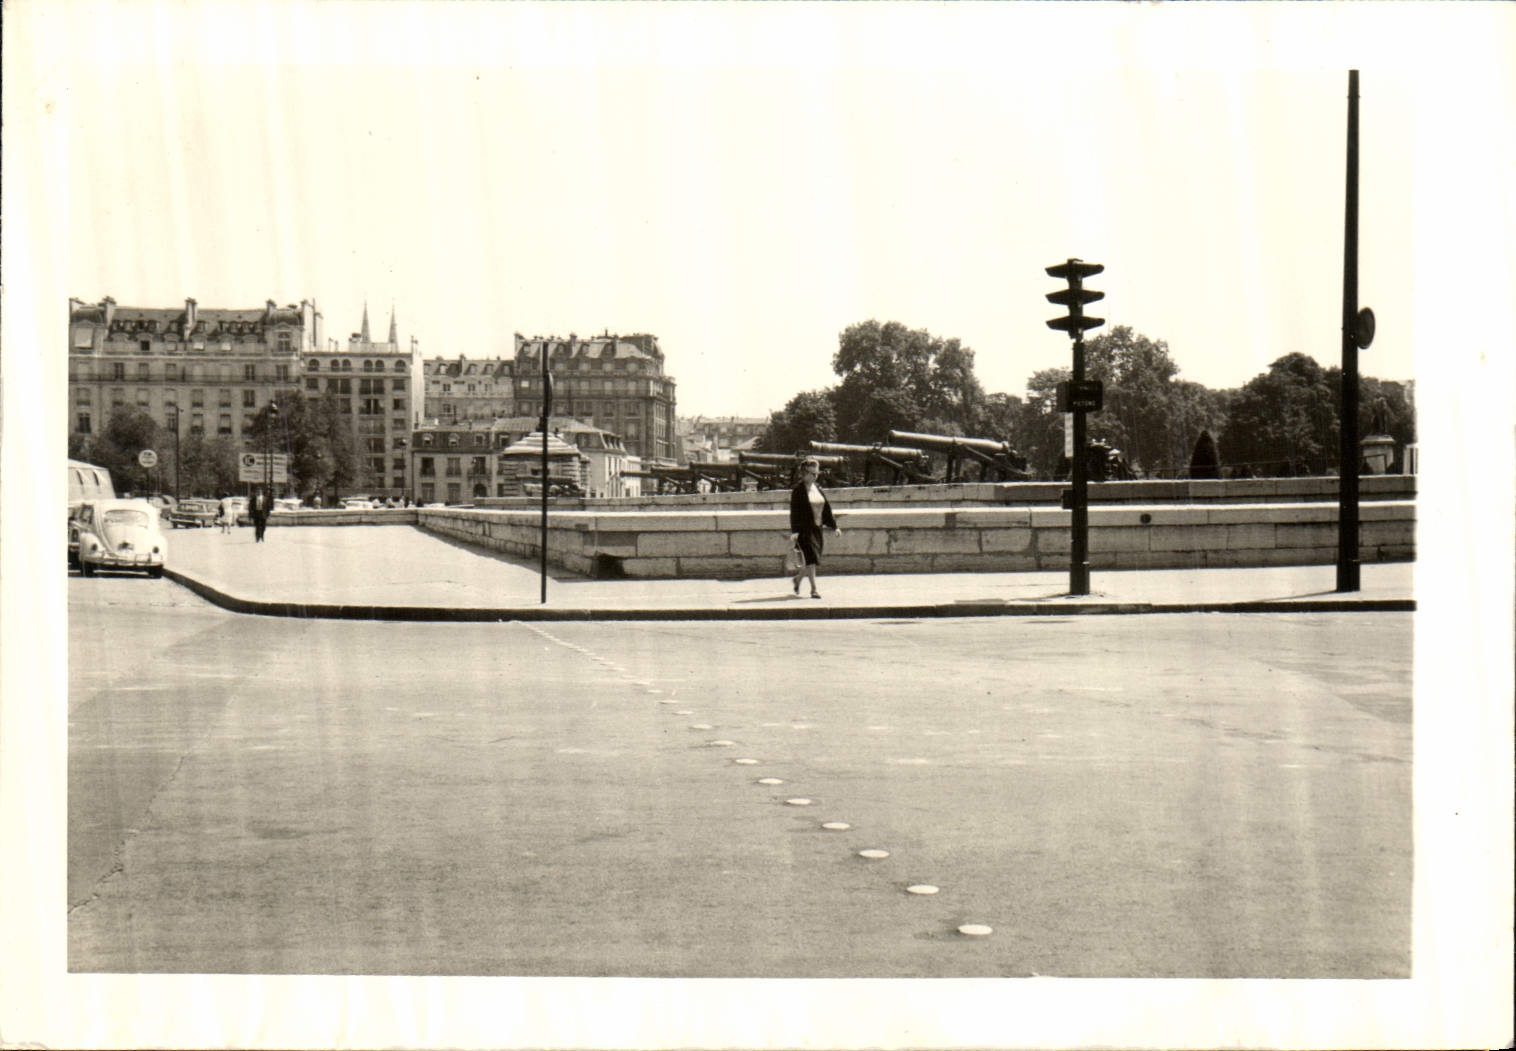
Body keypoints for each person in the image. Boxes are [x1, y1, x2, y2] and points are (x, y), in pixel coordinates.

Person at [788, 456, 840, 599]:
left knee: (813, 560)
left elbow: (826, 509)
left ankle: (797, 579)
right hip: (805, 530)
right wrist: (795, 531)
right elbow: (795, 512)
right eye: (812, 473)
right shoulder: (798, 491)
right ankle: (814, 590)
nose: (815, 476)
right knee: (811, 559)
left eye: (816, 473)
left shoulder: (818, 489)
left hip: (817, 529)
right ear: (804, 473)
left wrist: (834, 526)